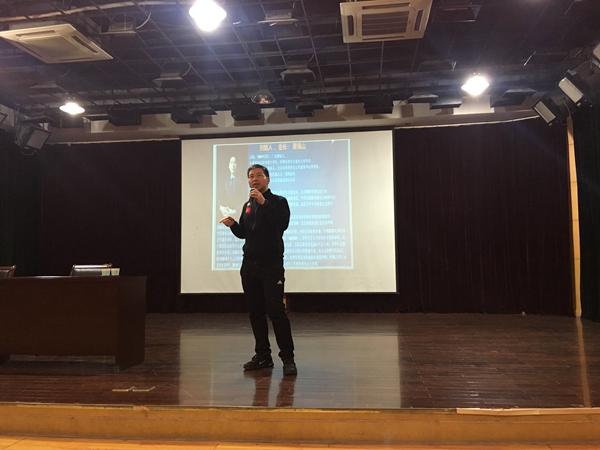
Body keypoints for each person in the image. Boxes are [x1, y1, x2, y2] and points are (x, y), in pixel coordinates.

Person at [219, 164, 297, 376]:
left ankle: (288, 358)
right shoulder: (247, 204)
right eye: (251, 176)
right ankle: (263, 356)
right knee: (256, 312)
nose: (254, 179)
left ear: (267, 179)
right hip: (249, 266)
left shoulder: (278, 201)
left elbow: (281, 224)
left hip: (271, 266)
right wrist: (233, 225)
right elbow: (245, 233)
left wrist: (264, 203)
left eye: (259, 175)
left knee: (276, 311)